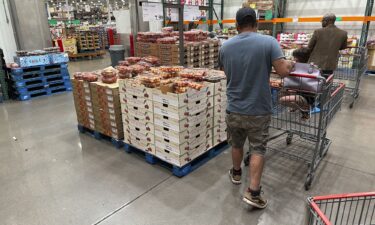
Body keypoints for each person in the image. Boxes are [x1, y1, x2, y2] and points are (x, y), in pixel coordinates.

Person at [219, 7, 293, 209]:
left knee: (236, 143)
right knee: (258, 149)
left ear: (236, 25)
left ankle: (236, 173)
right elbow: (282, 71)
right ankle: (253, 192)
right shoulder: (269, 42)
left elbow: (226, 72)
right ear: (257, 23)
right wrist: (291, 64)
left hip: (234, 106)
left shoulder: (225, 47)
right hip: (258, 108)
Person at [280, 47, 314, 120]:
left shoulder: (306, 68)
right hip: (301, 94)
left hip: (305, 97)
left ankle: (305, 110)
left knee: (281, 100)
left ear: (298, 58)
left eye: (295, 57)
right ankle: (299, 107)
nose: (293, 59)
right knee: (285, 92)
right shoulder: (310, 68)